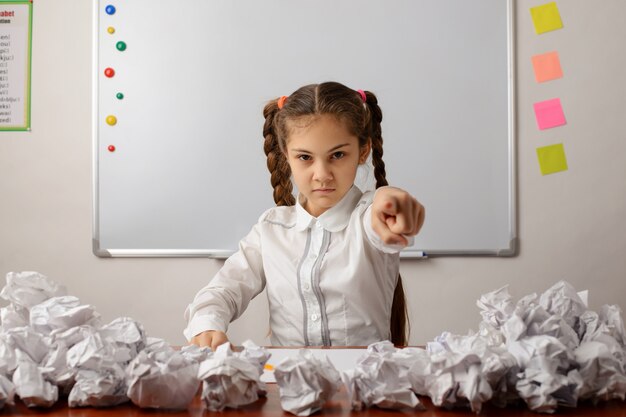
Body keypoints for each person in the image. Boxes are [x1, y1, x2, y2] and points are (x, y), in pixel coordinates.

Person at [184, 81, 425, 350]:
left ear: (363, 151)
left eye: (337, 154)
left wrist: (391, 201)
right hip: (288, 383)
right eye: (305, 158)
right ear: (286, 155)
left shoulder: (367, 218)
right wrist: (207, 323)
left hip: (363, 382)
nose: (322, 174)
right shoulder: (271, 229)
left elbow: (381, 210)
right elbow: (225, 288)